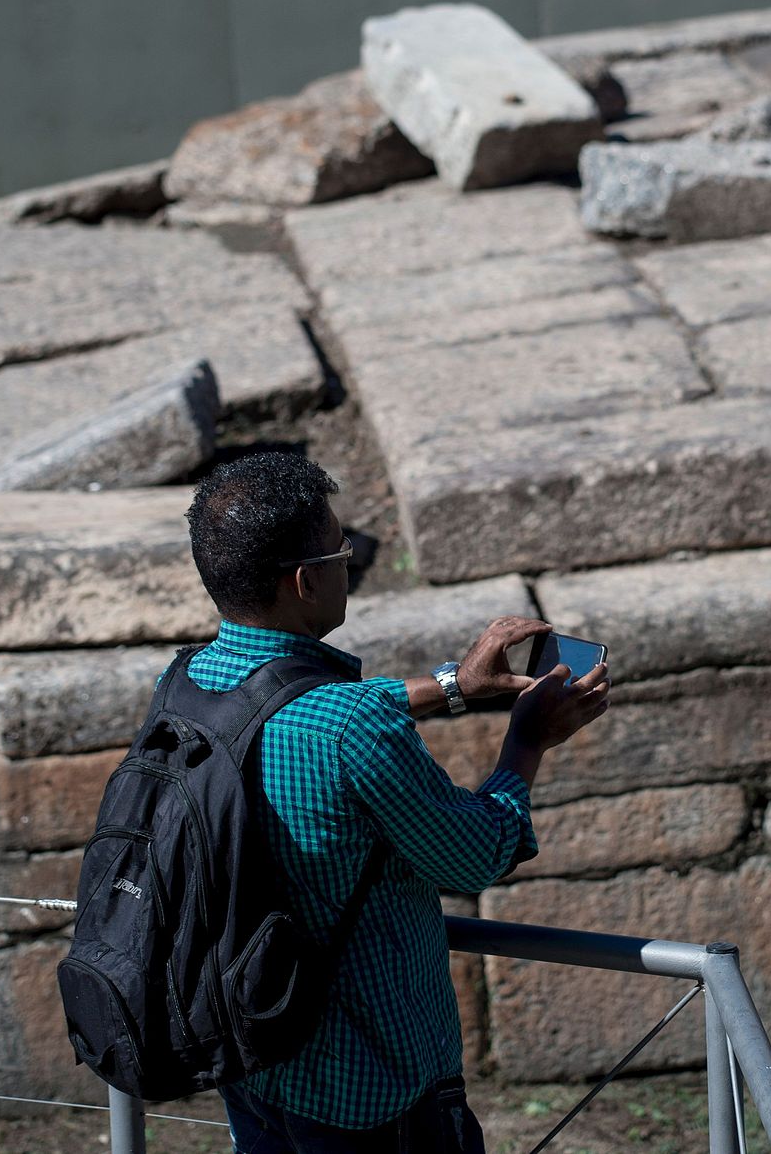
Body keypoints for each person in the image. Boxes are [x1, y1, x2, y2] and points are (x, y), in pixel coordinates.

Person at [180, 451, 609, 1152]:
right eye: (344, 550)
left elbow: (287, 705)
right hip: (374, 1093)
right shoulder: (352, 728)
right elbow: (474, 856)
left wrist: (453, 686)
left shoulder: (188, 685)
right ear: (305, 580)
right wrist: (525, 744)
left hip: (254, 1065)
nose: (350, 563)